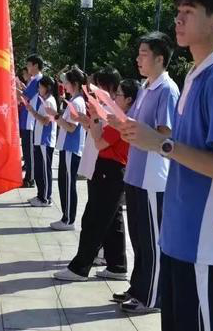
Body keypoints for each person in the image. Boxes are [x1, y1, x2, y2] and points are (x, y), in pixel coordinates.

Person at [117, 0, 213, 331]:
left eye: (189, 11)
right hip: (182, 236)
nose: (178, 19)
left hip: (207, 242)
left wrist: (161, 143)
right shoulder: (197, 74)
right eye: (178, 11)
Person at [114, 32, 180, 314]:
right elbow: (137, 127)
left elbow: (166, 134)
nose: (138, 59)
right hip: (135, 173)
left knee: (152, 241)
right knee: (139, 239)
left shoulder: (167, 90)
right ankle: (138, 288)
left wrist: (136, 131)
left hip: (154, 177)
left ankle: (153, 298)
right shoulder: (145, 87)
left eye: (143, 54)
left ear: (160, 59)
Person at [54, 77, 139, 282]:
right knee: (113, 221)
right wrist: (93, 118)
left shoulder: (121, 120)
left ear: (128, 99)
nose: (115, 98)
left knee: (93, 220)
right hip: (111, 171)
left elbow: (99, 142)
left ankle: (80, 268)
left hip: (110, 171)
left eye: (118, 94)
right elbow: (97, 134)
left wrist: (94, 117)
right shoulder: (120, 119)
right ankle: (117, 266)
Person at [48, 67, 87, 231]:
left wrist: (55, 115)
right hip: (67, 148)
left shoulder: (77, 102)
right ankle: (66, 217)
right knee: (64, 183)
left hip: (72, 148)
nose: (64, 85)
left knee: (69, 184)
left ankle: (69, 220)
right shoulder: (74, 100)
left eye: (67, 82)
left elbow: (71, 128)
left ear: (75, 84)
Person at [26, 75, 59, 207]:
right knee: (40, 170)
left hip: (45, 141)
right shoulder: (45, 100)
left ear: (47, 88)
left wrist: (32, 112)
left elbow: (46, 121)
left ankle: (45, 198)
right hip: (40, 140)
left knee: (44, 170)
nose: (39, 89)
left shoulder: (49, 101)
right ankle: (41, 195)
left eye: (40, 87)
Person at [17, 55, 44, 187]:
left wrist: (11, 88)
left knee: (29, 152)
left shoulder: (37, 80)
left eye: (28, 65)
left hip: (31, 120)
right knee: (27, 151)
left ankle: (30, 179)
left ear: (36, 65)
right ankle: (29, 177)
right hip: (27, 119)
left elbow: (25, 97)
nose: (27, 68)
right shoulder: (34, 79)